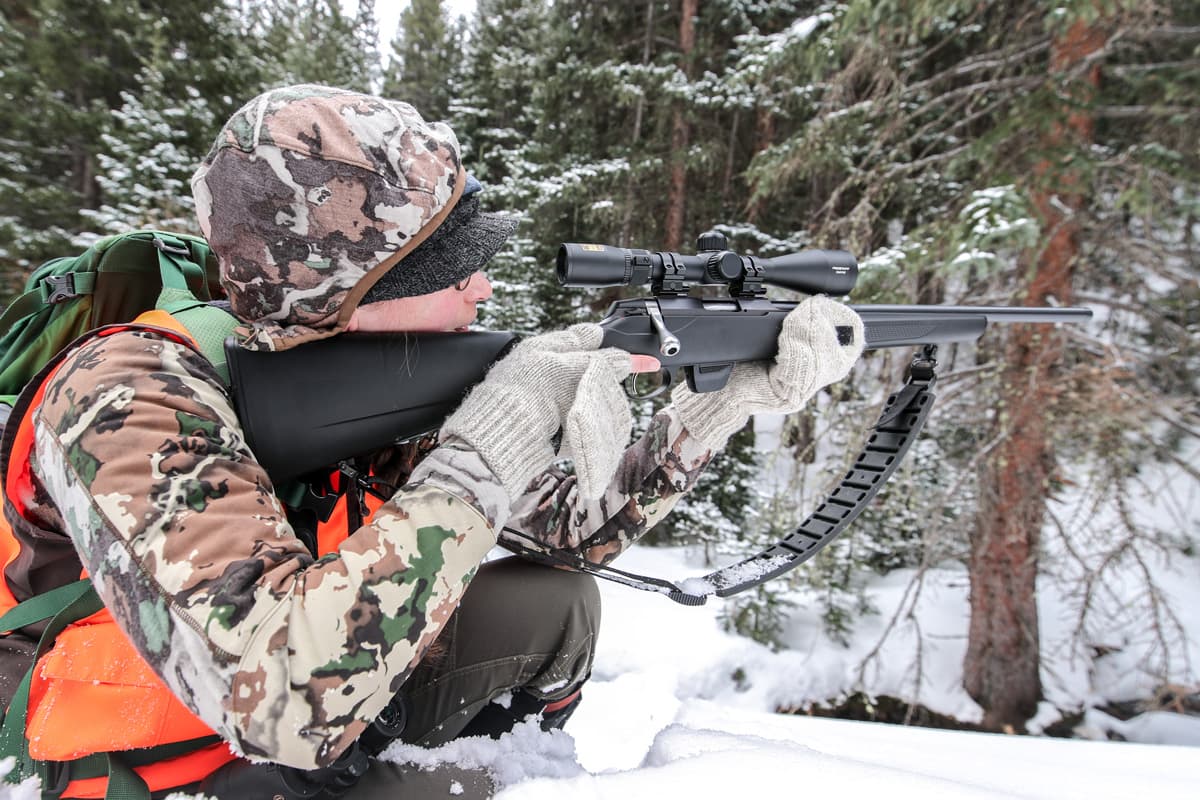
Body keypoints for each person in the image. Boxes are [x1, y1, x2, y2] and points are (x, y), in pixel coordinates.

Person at [0, 84, 864, 799]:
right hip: (146, 757)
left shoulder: (346, 367)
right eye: (449, 273)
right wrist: (487, 448)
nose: (482, 289)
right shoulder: (123, 393)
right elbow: (279, 704)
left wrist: (721, 405)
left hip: (313, 696)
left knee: (556, 608)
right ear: (341, 290)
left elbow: (564, 533)